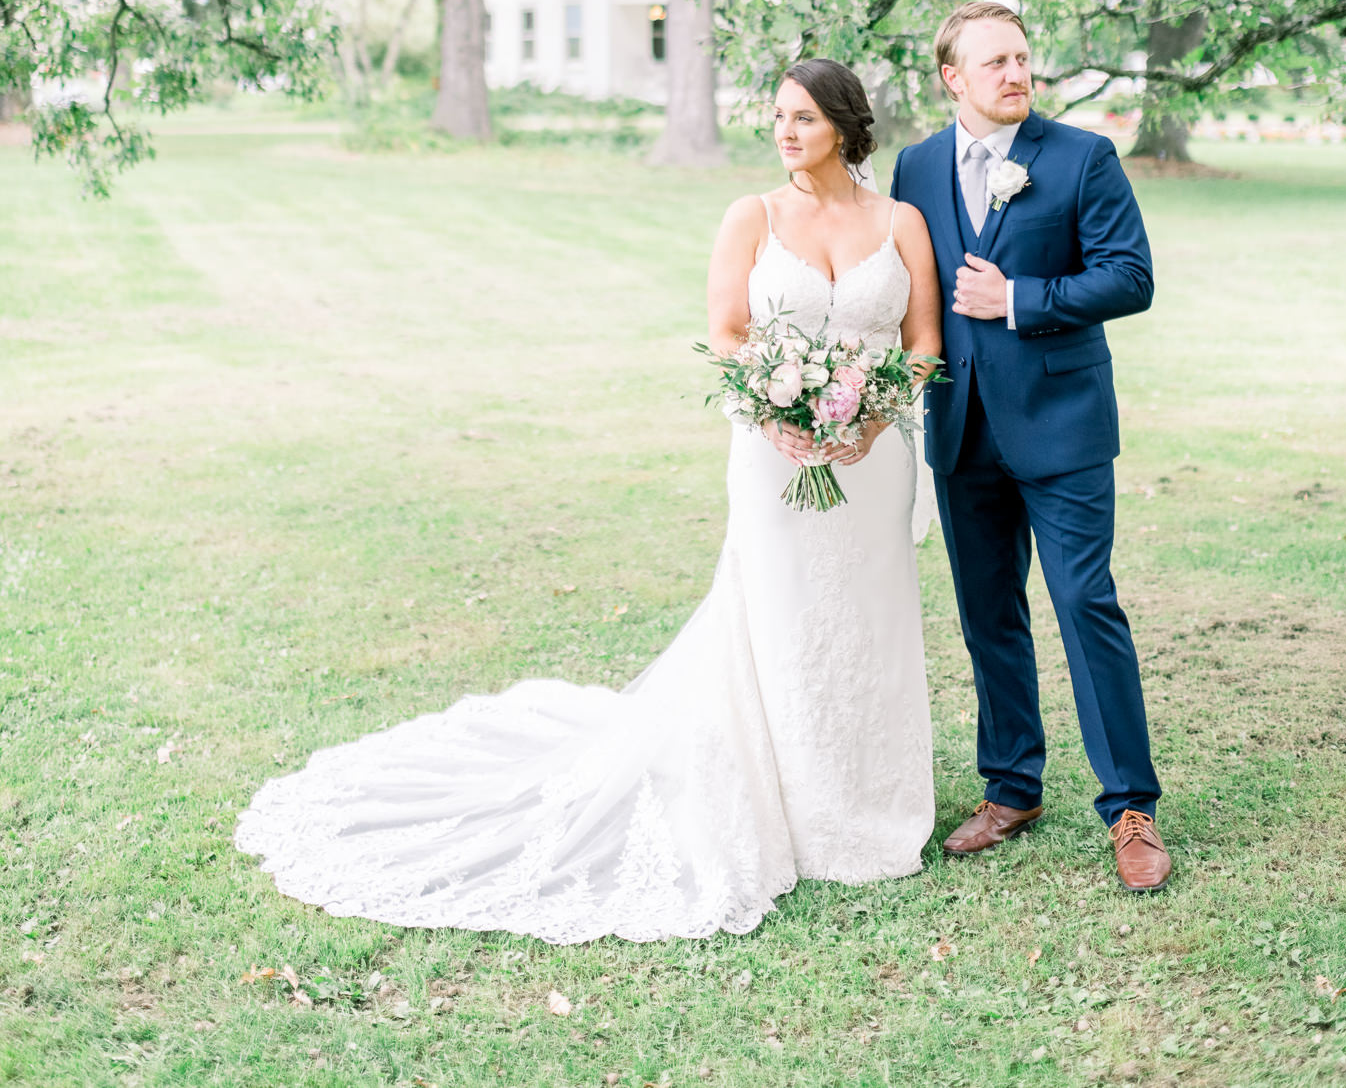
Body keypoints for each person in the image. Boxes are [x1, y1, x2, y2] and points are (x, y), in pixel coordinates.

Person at [235, 60, 942, 942]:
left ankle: (867, 805)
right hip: (775, 453)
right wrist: (776, 415)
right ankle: (786, 808)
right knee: (781, 617)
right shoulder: (751, 216)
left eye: (802, 117)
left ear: (843, 122)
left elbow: (922, 341)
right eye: (777, 118)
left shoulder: (899, 222)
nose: (785, 132)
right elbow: (727, 332)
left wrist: (874, 418)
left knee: (869, 619)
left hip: (872, 462)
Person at [891, 0, 1170, 892]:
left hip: (1063, 426)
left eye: (1022, 58)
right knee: (988, 613)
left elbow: (1131, 278)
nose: (1017, 74)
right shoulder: (917, 166)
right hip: (961, 426)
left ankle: (1131, 807)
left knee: (1087, 604)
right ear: (953, 78)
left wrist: (1018, 299)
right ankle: (1012, 785)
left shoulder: (1082, 156)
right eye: (996, 62)